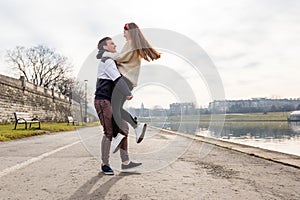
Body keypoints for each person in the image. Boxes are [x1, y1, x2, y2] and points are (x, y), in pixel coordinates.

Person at [97, 22, 161, 144]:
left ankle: (121, 134)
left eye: (125, 32)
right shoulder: (135, 45)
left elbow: (120, 57)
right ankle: (135, 128)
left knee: (114, 107)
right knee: (117, 108)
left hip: (123, 80)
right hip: (129, 82)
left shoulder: (130, 44)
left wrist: (105, 54)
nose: (123, 35)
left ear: (130, 32)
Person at [94, 37, 142, 175]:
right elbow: (117, 78)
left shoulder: (112, 60)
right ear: (105, 47)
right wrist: (127, 93)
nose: (115, 45)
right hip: (102, 101)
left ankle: (125, 162)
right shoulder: (107, 61)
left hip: (110, 101)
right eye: (111, 43)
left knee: (124, 128)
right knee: (108, 132)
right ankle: (104, 164)